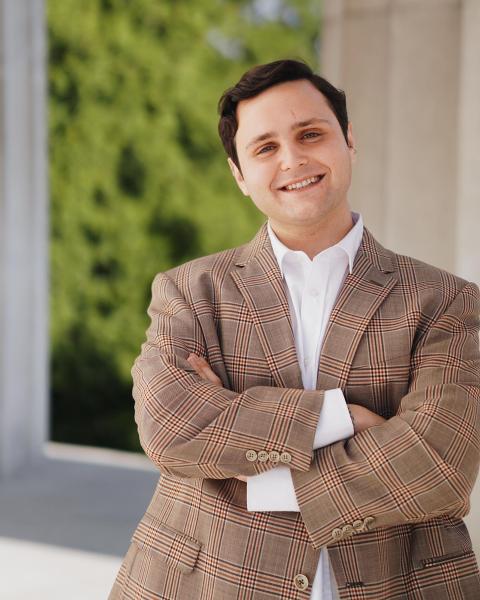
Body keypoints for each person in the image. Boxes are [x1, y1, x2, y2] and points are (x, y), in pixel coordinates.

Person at [108, 59, 480, 599]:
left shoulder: (446, 301)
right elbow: (170, 427)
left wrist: (247, 467)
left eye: (311, 133)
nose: (293, 159)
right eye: (265, 147)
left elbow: (440, 463)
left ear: (348, 140)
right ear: (239, 174)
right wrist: (339, 417)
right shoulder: (190, 291)